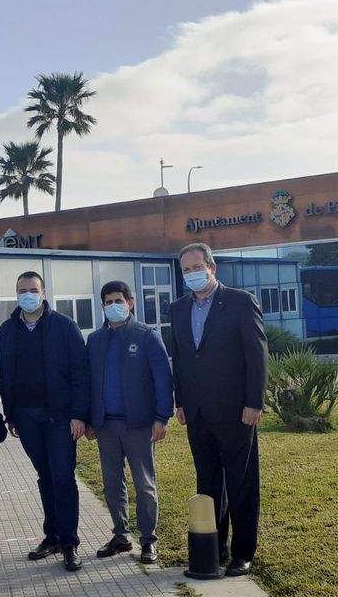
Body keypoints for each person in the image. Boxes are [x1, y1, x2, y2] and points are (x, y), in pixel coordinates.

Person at [165, 243, 267, 577]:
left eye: (197, 267)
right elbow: (180, 358)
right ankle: (215, 547)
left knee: (241, 483)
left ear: (212, 267)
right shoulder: (178, 309)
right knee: (208, 484)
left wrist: (255, 402)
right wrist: (180, 401)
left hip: (237, 411)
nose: (192, 274)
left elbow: (257, 355)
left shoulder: (239, 302)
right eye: (186, 270)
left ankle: (242, 552)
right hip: (196, 412)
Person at [0, 271, 90, 572]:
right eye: (22, 290)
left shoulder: (64, 327)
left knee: (62, 476)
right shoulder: (7, 330)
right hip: (26, 417)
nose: (28, 295)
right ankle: (52, 537)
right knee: (45, 476)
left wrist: (79, 415)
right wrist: (10, 414)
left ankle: (70, 543)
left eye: (33, 289)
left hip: (61, 417)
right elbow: (5, 374)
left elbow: (80, 374)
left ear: (44, 292)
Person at [85, 280, 173, 564]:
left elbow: (163, 380)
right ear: (102, 306)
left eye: (118, 301)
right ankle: (121, 536)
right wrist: (90, 420)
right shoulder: (96, 340)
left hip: (139, 425)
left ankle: (148, 541)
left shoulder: (147, 336)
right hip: (106, 426)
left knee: (144, 484)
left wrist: (162, 417)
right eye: (108, 302)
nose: (114, 306)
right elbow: (90, 382)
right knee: (112, 483)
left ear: (130, 303)